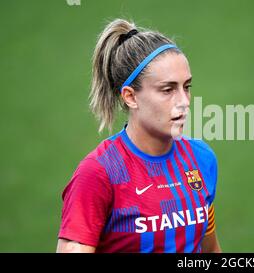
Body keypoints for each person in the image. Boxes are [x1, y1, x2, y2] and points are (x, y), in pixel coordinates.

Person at [56, 19, 221, 253]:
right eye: (168, 89)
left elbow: (210, 251)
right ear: (130, 97)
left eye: (187, 87)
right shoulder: (98, 173)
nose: (184, 102)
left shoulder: (201, 159)